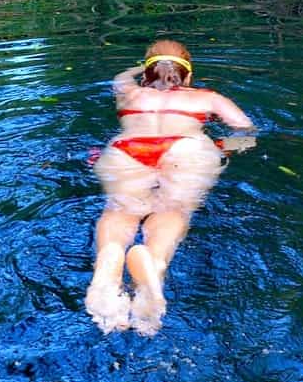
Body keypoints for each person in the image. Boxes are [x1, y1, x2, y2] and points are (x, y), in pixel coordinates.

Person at [85, 38, 254, 335]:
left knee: (120, 210)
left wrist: (145, 67)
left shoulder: (128, 91)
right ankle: (154, 263)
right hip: (187, 150)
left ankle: (108, 261)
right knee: (173, 209)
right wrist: (219, 148)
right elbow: (248, 133)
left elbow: (122, 77)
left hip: (127, 149)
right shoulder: (208, 97)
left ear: (146, 72)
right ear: (188, 74)